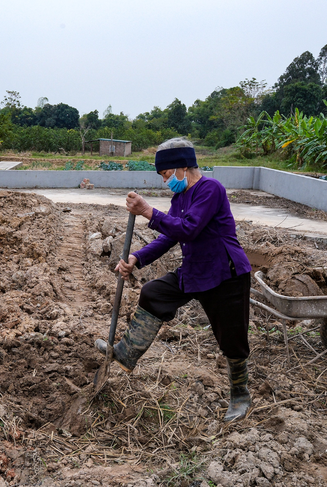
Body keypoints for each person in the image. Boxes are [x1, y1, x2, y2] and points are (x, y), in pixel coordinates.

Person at [94, 137, 253, 422]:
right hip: (195, 270)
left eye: (167, 175)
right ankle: (125, 353)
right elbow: (171, 235)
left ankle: (240, 396)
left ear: (182, 168)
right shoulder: (180, 198)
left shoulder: (210, 189)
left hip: (225, 274)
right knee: (154, 293)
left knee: (232, 340)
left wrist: (147, 211)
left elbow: (189, 229)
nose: (166, 182)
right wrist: (137, 258)